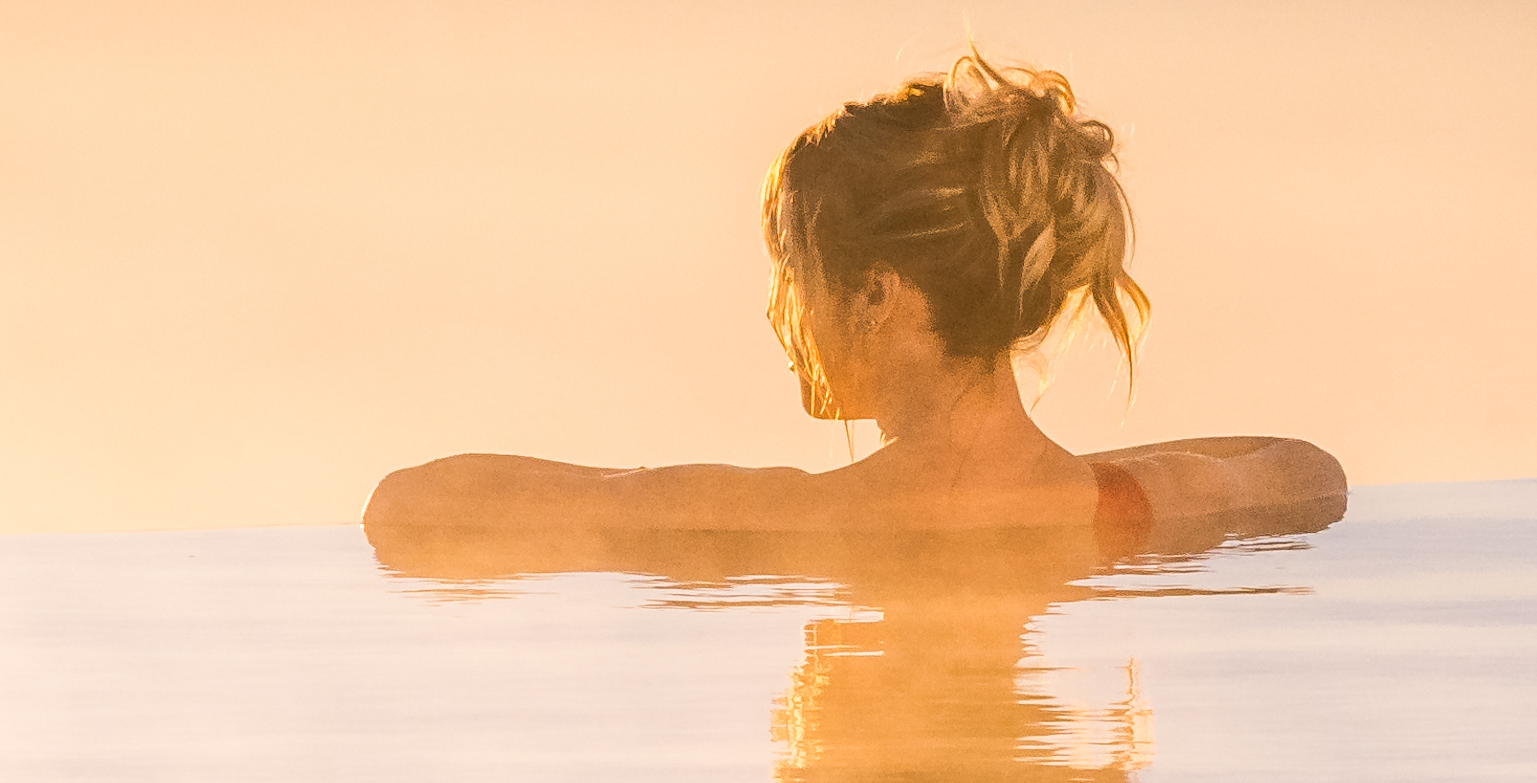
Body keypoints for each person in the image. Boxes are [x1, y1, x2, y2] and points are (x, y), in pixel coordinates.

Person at [365, 54, 1348, 563]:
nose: (778, 311)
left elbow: (407, 504)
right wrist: (1070, 476)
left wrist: (637, 494)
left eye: (792, 269)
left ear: (876, 290)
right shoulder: (1143, 508)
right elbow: (1309, 468)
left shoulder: (790, 521)